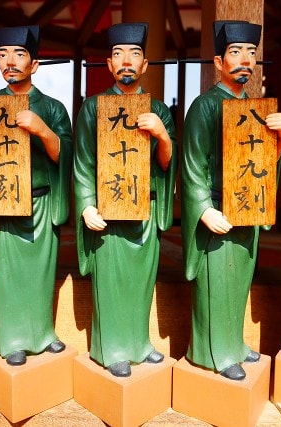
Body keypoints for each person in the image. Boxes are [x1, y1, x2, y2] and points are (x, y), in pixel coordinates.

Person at [181, 21, 281, 380]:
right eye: (236, 51)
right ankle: (212, 353)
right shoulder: (204, 106)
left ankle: (233, 343)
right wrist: (203, 208)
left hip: (246, 205)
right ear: (218, 61)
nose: (245, 59)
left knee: (238, 282)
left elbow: (263, 165)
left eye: (251, 52)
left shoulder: (256, 108)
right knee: (216, 284)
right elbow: (192, 164)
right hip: (215, 210)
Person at [74, 22, 177, 378]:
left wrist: (163, 135)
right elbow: (83, 162)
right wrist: (87, 204)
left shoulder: (158, 109)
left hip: (145, 208)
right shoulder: (93, 107)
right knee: (110, 281)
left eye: (134, 54)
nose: (126, 61)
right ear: (109, 64)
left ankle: (139, 343)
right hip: (108, 209)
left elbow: (166, 164)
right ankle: (111, 348)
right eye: (118, 54)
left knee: (140, 282)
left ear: (145, 64)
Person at [0, 25, 72, 366]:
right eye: (2, 54)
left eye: (19, 54)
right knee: (8, 274)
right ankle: (11, 338)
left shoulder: (53, 108)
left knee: (41, 274)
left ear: (35, 64)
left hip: (41, 202)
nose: (9, 61)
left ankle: (42, 333)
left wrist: (43, 130)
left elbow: (66, 156)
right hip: (2, 201)